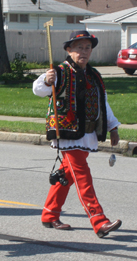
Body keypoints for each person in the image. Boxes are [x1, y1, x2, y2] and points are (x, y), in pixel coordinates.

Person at [33, 30, 122, 238]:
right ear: (69, 50)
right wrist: (47, 80)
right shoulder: (59, 71)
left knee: (67, 174)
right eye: (79, 47)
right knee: (82, 175)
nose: (84, 51)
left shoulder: (94, 75)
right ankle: (98, 220)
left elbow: (103, 103)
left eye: (87, 47)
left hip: (86, 133)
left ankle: (49, 213)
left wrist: (113, 126)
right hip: (66, 133)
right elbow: (38, 89)